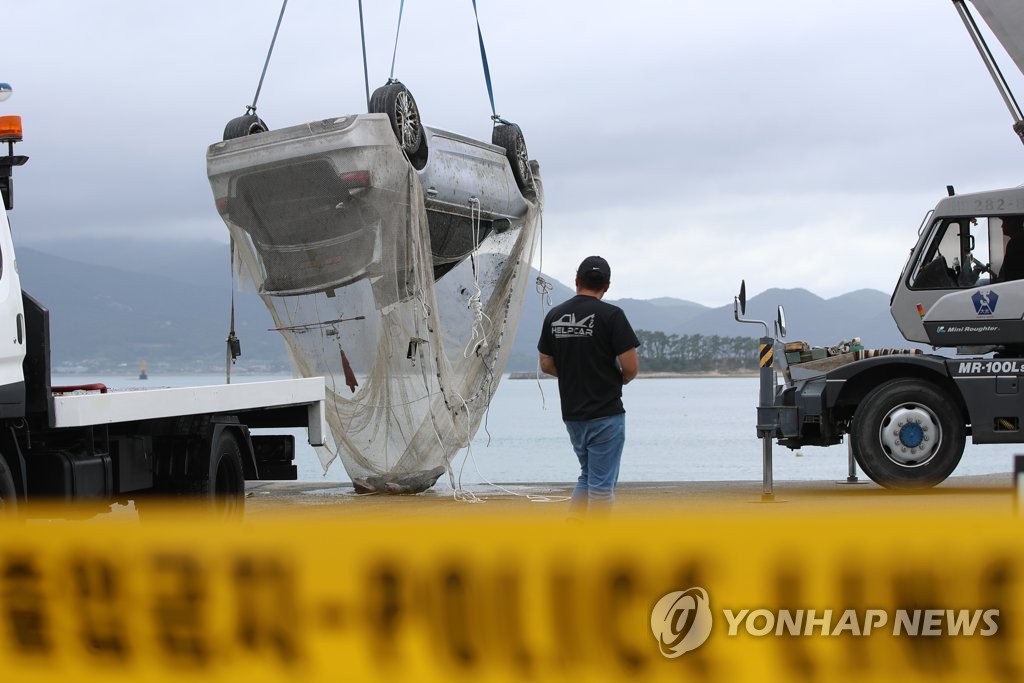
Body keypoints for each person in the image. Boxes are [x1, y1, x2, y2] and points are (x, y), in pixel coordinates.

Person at [537, 256, 640, 516]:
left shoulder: (555, 315)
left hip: (573, 414)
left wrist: (575, 374)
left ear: (577, 281)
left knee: (588, 476)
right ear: (606, 286)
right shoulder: (612, 316)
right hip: (605, 413)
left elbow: (546, 364)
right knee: (602, 489)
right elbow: (630, 367)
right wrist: (618, 380)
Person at [998, 216, 1024, 282]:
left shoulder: (1017, 242)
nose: (1002, 226)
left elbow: (1010, 271)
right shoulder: (1015, 241)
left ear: (1013, 223)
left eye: (1004, 222)